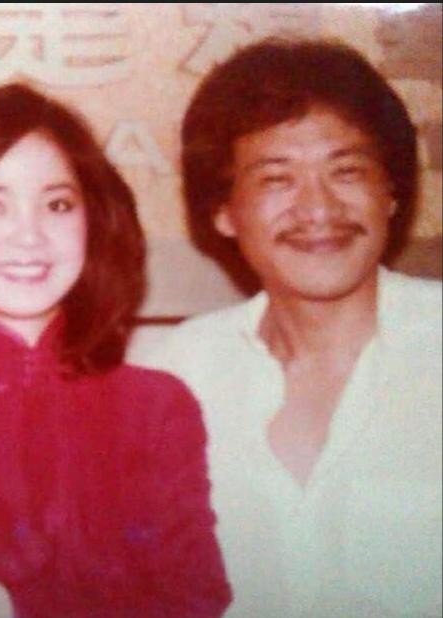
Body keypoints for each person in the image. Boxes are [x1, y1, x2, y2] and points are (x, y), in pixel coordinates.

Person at [0, 83, 231, 618]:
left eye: (57, 204)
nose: (29, 237)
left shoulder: (157, 406)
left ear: (94, 223)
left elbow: (193, 599)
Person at [144, 38, 442, 617]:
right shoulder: (173, 377)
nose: (319, 210)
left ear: (390, 193)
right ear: (224, 211)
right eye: (277, 179)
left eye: (346, 171)